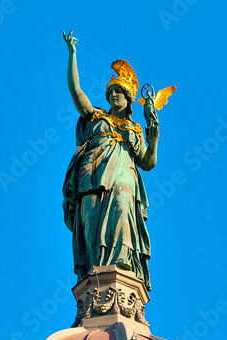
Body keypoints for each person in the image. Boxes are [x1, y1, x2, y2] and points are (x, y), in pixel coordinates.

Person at [62, 31, 159, 291]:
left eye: (120, 92)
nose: (114, 95)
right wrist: (73, 54)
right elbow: (76, 90)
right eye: (112, 91)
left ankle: (122, 266)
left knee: (121, 207)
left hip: (123, 177)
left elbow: (148, 162)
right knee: (90, 221)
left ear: (129, 99)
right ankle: (93, 271)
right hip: (91, 178)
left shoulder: (134, 131)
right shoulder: (95, 118)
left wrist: (154, 138)